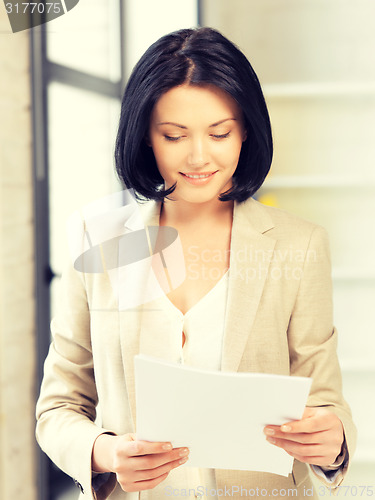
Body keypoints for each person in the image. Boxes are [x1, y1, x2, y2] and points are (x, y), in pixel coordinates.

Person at [36, 27, 356, 500]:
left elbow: (325, 401)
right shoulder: (99, 243)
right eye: (174, 135)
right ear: (146, 134)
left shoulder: (299, 245)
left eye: (220, 132)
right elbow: (58, 408)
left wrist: (331, 443)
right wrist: (105, 452)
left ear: (246, 129)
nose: (199, 156)